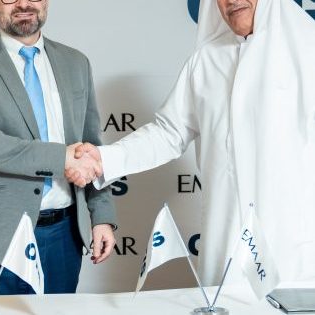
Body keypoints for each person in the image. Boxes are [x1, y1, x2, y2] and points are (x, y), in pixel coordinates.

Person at [68, 0, 315, 286]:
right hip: (226, 235)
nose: (231, 1)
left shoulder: (307, 50)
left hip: (293, 244)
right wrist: (103, 159)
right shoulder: (206, 61)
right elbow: (168, 133)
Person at [0, 0, 117, 295]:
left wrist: (101, 216)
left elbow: (91, 147)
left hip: (63, 236)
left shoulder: (76, 62)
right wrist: (61, 157)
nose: (24, 3)